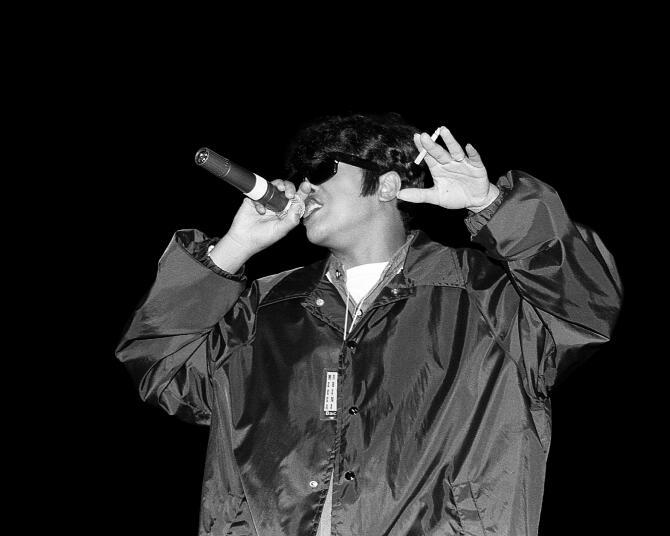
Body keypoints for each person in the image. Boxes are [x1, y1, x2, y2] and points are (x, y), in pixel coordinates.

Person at [115, 113, 622, 536]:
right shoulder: (266, 308)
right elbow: (161, 365)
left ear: (387, 185)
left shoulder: (482, 297)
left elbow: (584, 306)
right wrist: (235, 248)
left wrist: (491, 205)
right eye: (300, 174)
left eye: (322, 169)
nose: (305, 185)